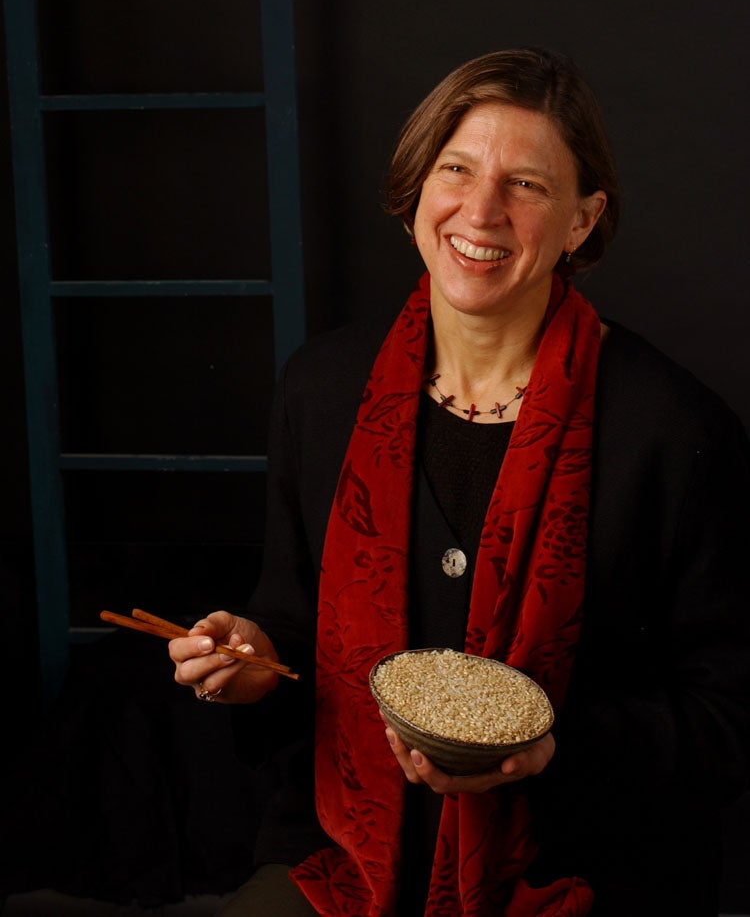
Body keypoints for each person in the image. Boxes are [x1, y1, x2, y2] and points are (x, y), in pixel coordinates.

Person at [168, 48, 750, 916]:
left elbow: (730, 712)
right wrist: (255, 662)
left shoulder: (674, 428)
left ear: (584, 220)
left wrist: (558, 748)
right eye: (457, 169)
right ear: (416, 192)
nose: (480, 211)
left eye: (527, 184)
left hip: (579, 869)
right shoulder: (322, 388)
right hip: (343, 858)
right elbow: (291, 620)